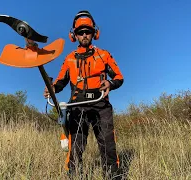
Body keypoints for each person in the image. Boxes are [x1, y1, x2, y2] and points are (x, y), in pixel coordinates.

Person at [43, 10, 124, 179]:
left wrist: (110, 83)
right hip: (77, 107)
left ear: (95, 33)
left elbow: (119, 77)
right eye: (81, 32)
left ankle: (112, 176)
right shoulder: (69, 58)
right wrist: (52, 88)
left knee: (108, 145)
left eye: (88, 31)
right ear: (74, 36)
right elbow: (60, 82)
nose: (85, 35)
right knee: (75, 147)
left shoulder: (104, 55)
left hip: (101, 105)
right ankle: (74, 176)